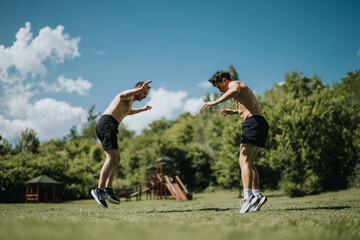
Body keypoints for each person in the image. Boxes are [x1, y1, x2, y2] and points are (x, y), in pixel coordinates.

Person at [202, 71, 269, 214]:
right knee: (250, 162)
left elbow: (235, 90)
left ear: (224, 80)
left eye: (218, 86)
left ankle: (248, 197)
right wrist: (233, 111)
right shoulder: (240, 90)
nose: (219, 90)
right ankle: (257, 195)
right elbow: (245, 107)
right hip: (260, 122)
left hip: (252, 123)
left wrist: (215, 102)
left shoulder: (235, 84)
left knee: (243, 160)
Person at [91, 80, 152, 208]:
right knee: (111, 158)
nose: (145, 96)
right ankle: (99, 190)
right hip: (106, 124)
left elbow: (129, 111)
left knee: (117, 159)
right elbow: (121, 95)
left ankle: (108, 189)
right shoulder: (126, 96)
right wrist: (139, 89)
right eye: (144, 93)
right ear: (138, 90)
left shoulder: (129, 103)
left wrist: (143, 109)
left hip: (111, 127)